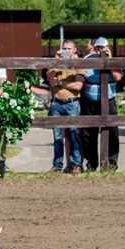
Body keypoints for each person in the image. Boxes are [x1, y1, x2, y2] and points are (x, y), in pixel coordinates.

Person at [81, 37, 123, 171]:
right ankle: (91, 164)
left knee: (112, 132)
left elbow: (118, 77)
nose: (100, 50)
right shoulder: (87, 59)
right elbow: (81, 75)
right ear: (94, 48)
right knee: (89, 134)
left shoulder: (114, 60)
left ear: (107, 48)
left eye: (103, 47)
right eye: (98, 47)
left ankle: (111, 163)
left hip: (108, 100)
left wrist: (109, 61)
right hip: (90, 101)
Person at [45, 40, 85, 174]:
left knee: (74, 134)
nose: (66, 50)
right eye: (64, 48)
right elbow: (50, 78)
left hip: (72, 102)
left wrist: (60, 83)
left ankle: (76, 165)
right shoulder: (58, 63)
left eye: (68, 48)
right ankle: (57, 166)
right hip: (56, 102)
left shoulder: (79, 64)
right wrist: (56, 60)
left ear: (74, 50)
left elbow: (78, 86)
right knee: (57, 137)